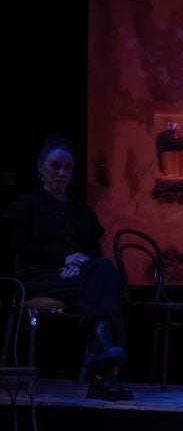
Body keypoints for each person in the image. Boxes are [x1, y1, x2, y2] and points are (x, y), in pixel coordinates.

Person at [3, 137, 133, 401]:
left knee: (103, 271)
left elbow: (93, 251)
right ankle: (104, 377)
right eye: (55, 166)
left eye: (68, 168)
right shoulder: (26, 205)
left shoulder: (80, 210)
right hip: (39, 278)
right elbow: (16, 244)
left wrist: (80, 265)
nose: (62, 173)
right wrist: (63, 259)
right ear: (41, 167)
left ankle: (101, 355)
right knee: (108, 287)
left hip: (77, 279)